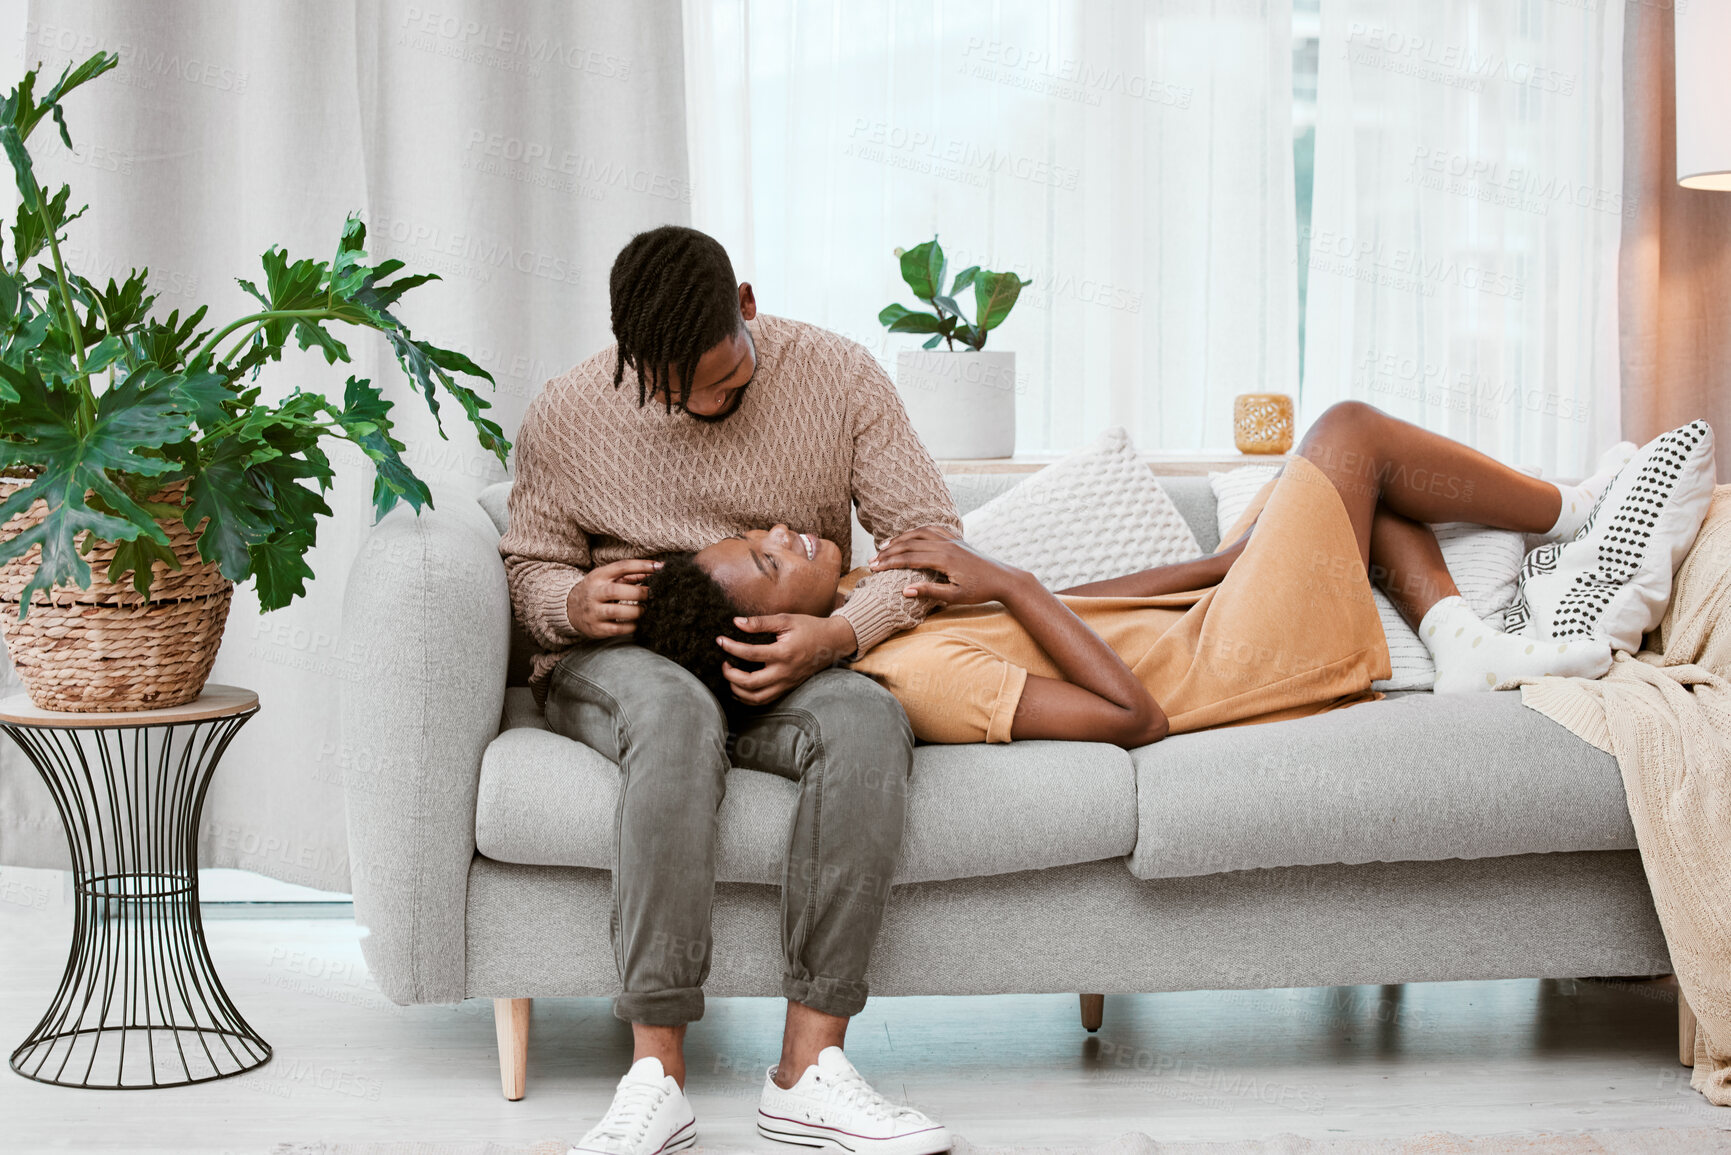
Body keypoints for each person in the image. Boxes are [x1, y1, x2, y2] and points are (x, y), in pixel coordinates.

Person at [500, 226, 958, 1155]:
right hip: (630, 655)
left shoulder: (838, 376)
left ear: (745, 305)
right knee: (674, 714)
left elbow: (931, 546)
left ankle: (807, 1074)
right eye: (663, 385)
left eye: (718, 378)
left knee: (868, 718)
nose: (692, 401)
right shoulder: (567, 411)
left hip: (789, 649)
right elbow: (528, 569)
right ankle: (654, 1076)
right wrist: (571, 599)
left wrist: (842, 632)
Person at [636, 402, 1622, 748]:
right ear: (763, 637)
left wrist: (1220, 562)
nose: (782, 530)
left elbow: (1089, 612)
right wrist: (1008, 580)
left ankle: (1467, 648)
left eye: (761, 531)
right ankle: (1580, 509)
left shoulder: (873, 607)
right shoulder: (919, 681)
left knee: (1348, 486)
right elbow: (1132, 720)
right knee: (1349, 431)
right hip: (1233, 669)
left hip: (1218, 616)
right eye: (766, 560)